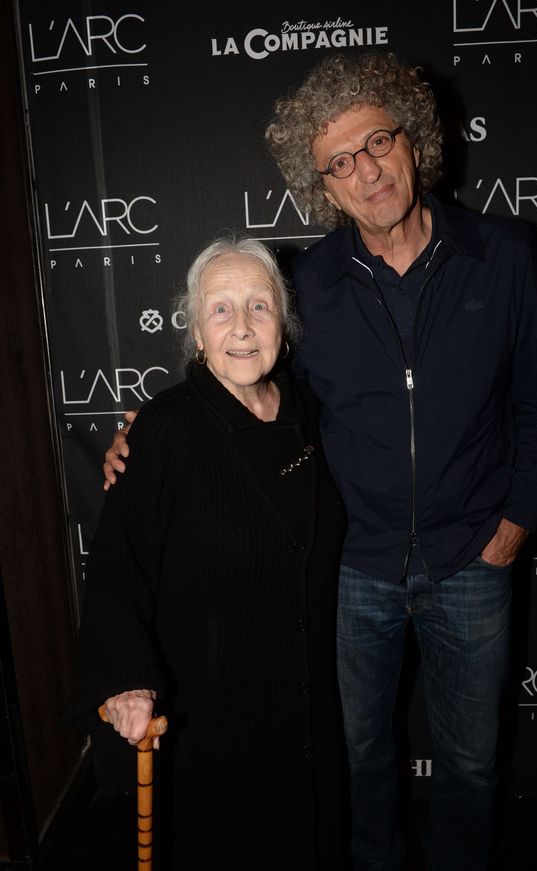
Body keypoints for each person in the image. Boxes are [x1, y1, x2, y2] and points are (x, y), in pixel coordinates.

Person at [104, 54, 537, 871]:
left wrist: (510, 532)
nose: (366, 170)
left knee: (471, 764)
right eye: (339, 162)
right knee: (358, 759)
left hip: (474, 559)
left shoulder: (505, 254)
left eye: (378, 142)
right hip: (353, 569)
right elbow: (253, 385)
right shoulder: (311, 282)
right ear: (322, 185)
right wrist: (149, 428)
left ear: (414, 140)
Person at [68, 237, 350, 871]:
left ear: (283, 324)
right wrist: (127, 678)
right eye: (220, 309)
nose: (242, 326)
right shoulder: (165, 428)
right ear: (196, 331)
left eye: (259, 306)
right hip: (216, 712)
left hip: (307, 699)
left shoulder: (309, 411)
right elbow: (117, 567)